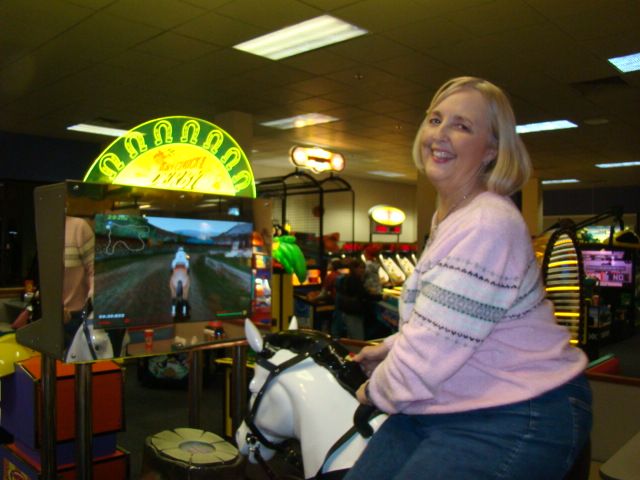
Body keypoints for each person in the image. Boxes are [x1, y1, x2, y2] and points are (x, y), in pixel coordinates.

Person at [346, 77, 592, 479]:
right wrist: (391, 348)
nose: (440, 134)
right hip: (452, 397)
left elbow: (427, 356)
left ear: (492, 149)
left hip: (520, 407)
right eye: (435, 120)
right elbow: (447, 322)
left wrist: (373, 390)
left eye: (461, 126)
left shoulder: (486, 222)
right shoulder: (451, 217)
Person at [334, 258, 383, 340]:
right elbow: (363, 295)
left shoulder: (349, 278)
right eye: (360, 268)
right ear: (354, 268)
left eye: (363, 268)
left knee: (351, 336)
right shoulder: (354, 279)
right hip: (353, 312)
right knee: (357, 338)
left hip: (348, 311)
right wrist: (380, 297)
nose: (362, 270)